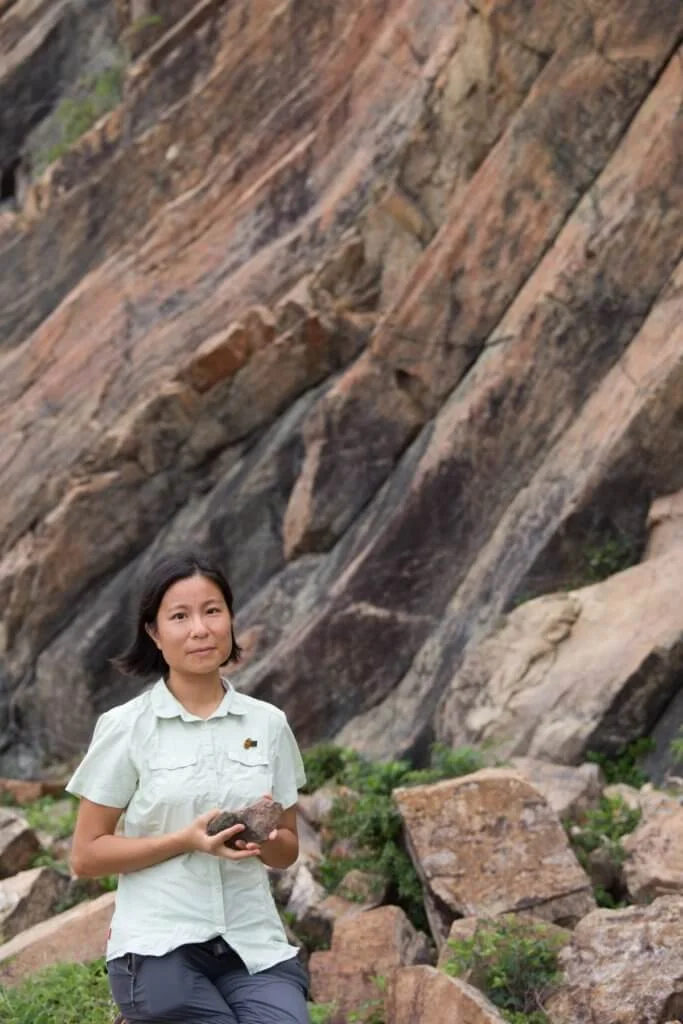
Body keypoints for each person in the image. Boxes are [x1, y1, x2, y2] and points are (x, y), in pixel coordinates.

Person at [67, 550, 310, 1024]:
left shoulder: (269, 724)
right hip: (160, 945)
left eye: (212, 611)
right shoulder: (126, 727)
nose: (200, 629)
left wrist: (262, 840)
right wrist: (186, 840)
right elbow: (86, 854)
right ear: (154, 633)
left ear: (231, 620)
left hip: (251, 943)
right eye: (180, 616)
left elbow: (289, 849)